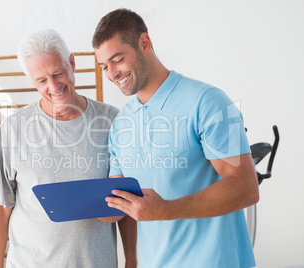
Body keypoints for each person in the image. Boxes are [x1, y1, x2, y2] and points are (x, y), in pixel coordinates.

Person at [92, 8, 260, 268]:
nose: (111, 74)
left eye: (117, 59)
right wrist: (78, 202)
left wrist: (167, 209)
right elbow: (118, 203)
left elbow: (246, 187)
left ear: (144, 44)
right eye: (104, 66)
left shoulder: (207, 102)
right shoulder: (121, 124)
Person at [0, 29, 136, 268]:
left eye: (58, 73)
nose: (54, 86)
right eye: (41, 80)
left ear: (72, 63)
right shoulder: (12, 129)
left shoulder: (112, 122)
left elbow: (126, 202)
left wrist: (132, 260)